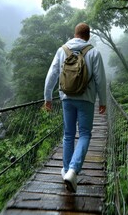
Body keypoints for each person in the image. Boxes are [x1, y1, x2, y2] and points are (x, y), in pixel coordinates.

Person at [44, 22, 107, 193]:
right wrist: (103, 101)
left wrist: (47, 97)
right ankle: (73, 170)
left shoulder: (62, 50)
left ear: (75, 33)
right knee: (85, 134)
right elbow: (101, 80)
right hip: (86, 99)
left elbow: (52, 74)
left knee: (68, 134)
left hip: (66, 98)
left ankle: (65, 170)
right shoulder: (93, 52)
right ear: (88, 35)